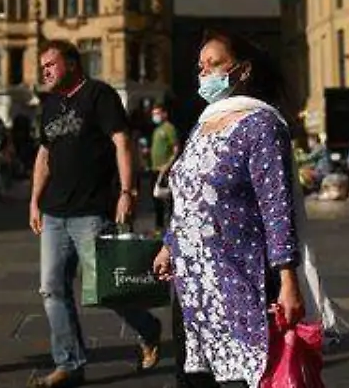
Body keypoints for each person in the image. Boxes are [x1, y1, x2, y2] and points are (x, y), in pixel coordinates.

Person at [152, 29, 308, 388]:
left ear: (242, 70)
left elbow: (276, 206)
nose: (205, 73)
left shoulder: (262, 125)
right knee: (192, 378)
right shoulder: (202, 124)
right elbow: (187, 196)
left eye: (215, 64)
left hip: (238, 278)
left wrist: (288, 280)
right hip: (190, 283)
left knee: (238, 377)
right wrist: (168, 244)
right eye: (201, 66)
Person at [27, 40, 161, 388]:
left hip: (91, 210)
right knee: (51, 289)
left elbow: (122, 142)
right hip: (54, 213)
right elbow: (44, 156)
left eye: (50, 64)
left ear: (71, 63)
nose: (44, 71)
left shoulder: (99, 95)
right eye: (42, 66)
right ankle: (69, 363)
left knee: (106, 289)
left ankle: (149, 328)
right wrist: (34, 200)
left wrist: (127, 191)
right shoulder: (50, 104)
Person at [148, 103, 180, 230]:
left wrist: (167, 165)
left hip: (165, 170)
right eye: (153, 114)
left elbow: (176, 148)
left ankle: (172, 225)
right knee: (156, 199)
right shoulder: (156, 129)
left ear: (164, 114)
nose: (155, 116)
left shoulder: (169, 128)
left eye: (157, 113)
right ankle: (159, 226)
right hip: (155, 169)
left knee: (168, 199)